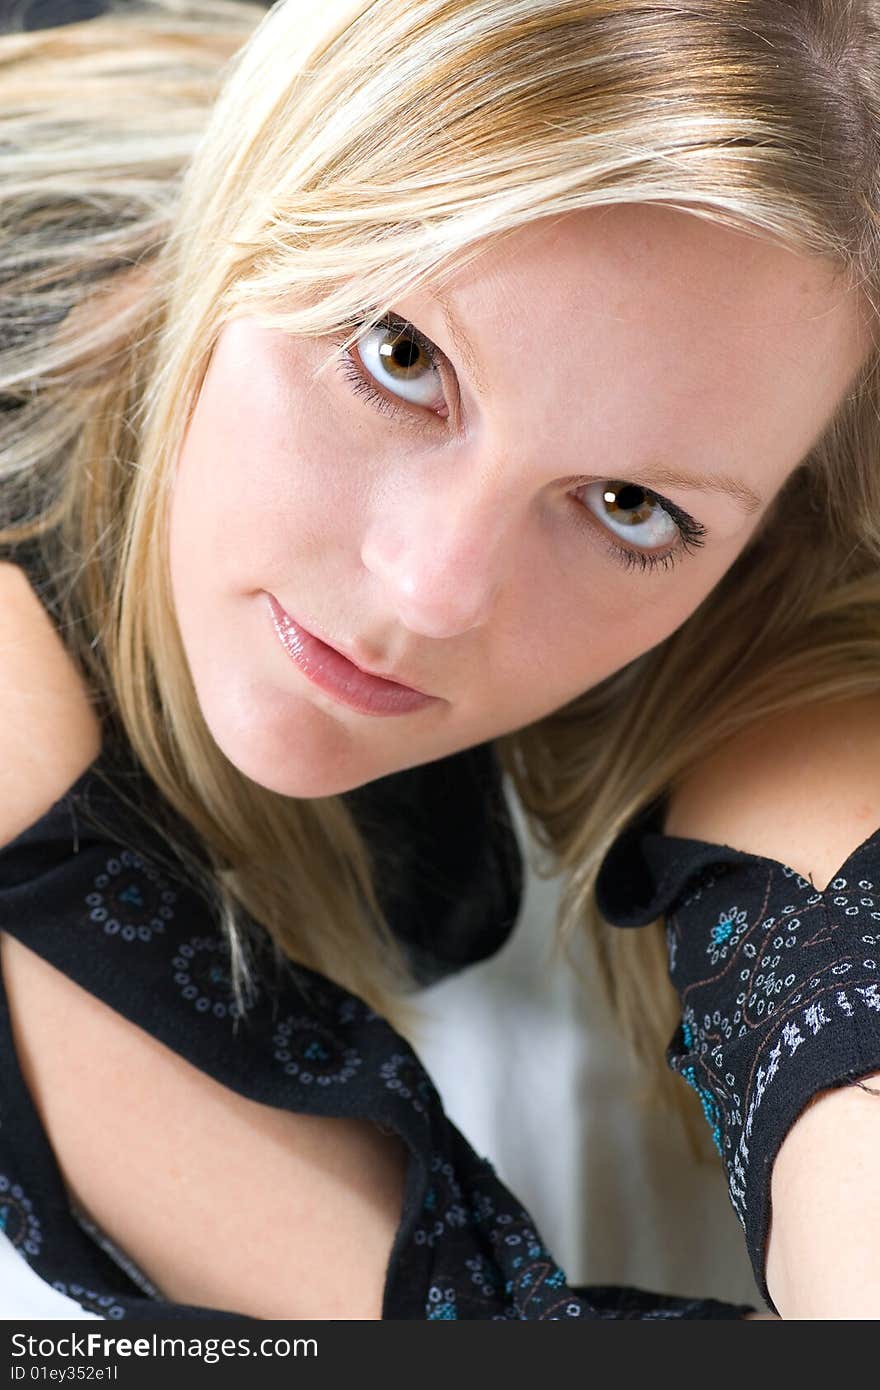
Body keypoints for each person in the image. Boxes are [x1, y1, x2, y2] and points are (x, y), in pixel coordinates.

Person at [0, 0, 874, 1322]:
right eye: (399, 356)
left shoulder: (763, 571)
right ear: (257, 194)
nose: (431, 590)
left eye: (630, 504)